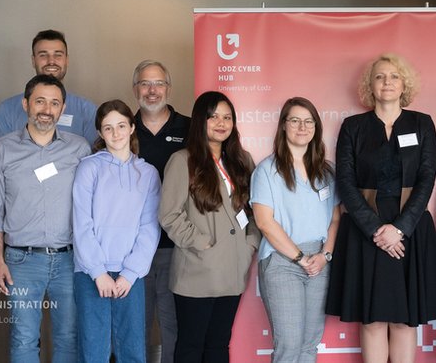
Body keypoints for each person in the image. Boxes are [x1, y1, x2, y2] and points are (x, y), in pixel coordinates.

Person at [325, 53, 436, 363]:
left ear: (404, 83)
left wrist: (399, 229)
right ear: (370, 84)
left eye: (394, 76)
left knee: (403, 319)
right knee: (372, 320)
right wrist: (375, 229)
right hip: (363, 229)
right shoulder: (353, 126)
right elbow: (345, 182)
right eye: (380, 76)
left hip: (408, 229)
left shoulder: (422, 123)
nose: (387, 82)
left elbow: (426, 180)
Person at [0, 74, 92, 363]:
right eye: (40, 101)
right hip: (21, 262)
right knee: (23, 338)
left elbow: (92, 206)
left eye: (54, 103)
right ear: (25, 104)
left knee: (69, 337)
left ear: (62, 108)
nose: (47, 109)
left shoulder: (80, 149)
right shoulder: (1, 151)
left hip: (69, 261)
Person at [159, 91, 260, 363]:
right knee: (192, 346)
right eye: (213, 116)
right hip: (197, 270)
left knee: (218, 345)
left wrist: (249, 244)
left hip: (233, 268)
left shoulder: (242, 161)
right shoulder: (183, 160)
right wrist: (202, 242)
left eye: (227, 117)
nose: (221, 123)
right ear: (200, 120)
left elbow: (254, 211)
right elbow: (169, 215)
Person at [251, 97, 341, 363]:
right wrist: (300, 258)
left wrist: (324, 256)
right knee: (289, 346)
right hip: (284, 261)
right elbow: (265, 222)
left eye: (308, 121)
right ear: (283, 126)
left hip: (320, 261)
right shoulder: (266, 170)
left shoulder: (327, 172)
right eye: (295, 120)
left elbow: (335, 219)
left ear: (316, 127)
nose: (302, 127)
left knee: (309, 344)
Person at [72, 99, 161, 362]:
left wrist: (130, 273)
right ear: (100, 133)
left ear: (132, 127)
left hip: (129, 274)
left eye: (121, 126)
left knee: (132, 348)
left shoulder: (148, 173)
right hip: (91, 272)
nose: (116, 133)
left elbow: (149, 227)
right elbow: (82, 223)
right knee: (93, 349)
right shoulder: (89, 167)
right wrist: (98, 272)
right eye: (108, 128)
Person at [132, 60, 189, 363]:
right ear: (135, 89)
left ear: (168, 88)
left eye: (158, 84)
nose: (152, 91)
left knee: (173, 326)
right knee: (134, 327)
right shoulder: (122, 129)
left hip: (176, 246)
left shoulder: (190, 128)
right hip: (132, 247)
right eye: (145, 83)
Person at [0, 29, 98, 144]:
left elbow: (93, 158)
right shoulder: (7, 109)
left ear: (67, 60)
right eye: (43, 55)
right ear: (33, 61)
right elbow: (1, 156)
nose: (51, 61)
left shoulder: (87, 110)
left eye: (58, 55)